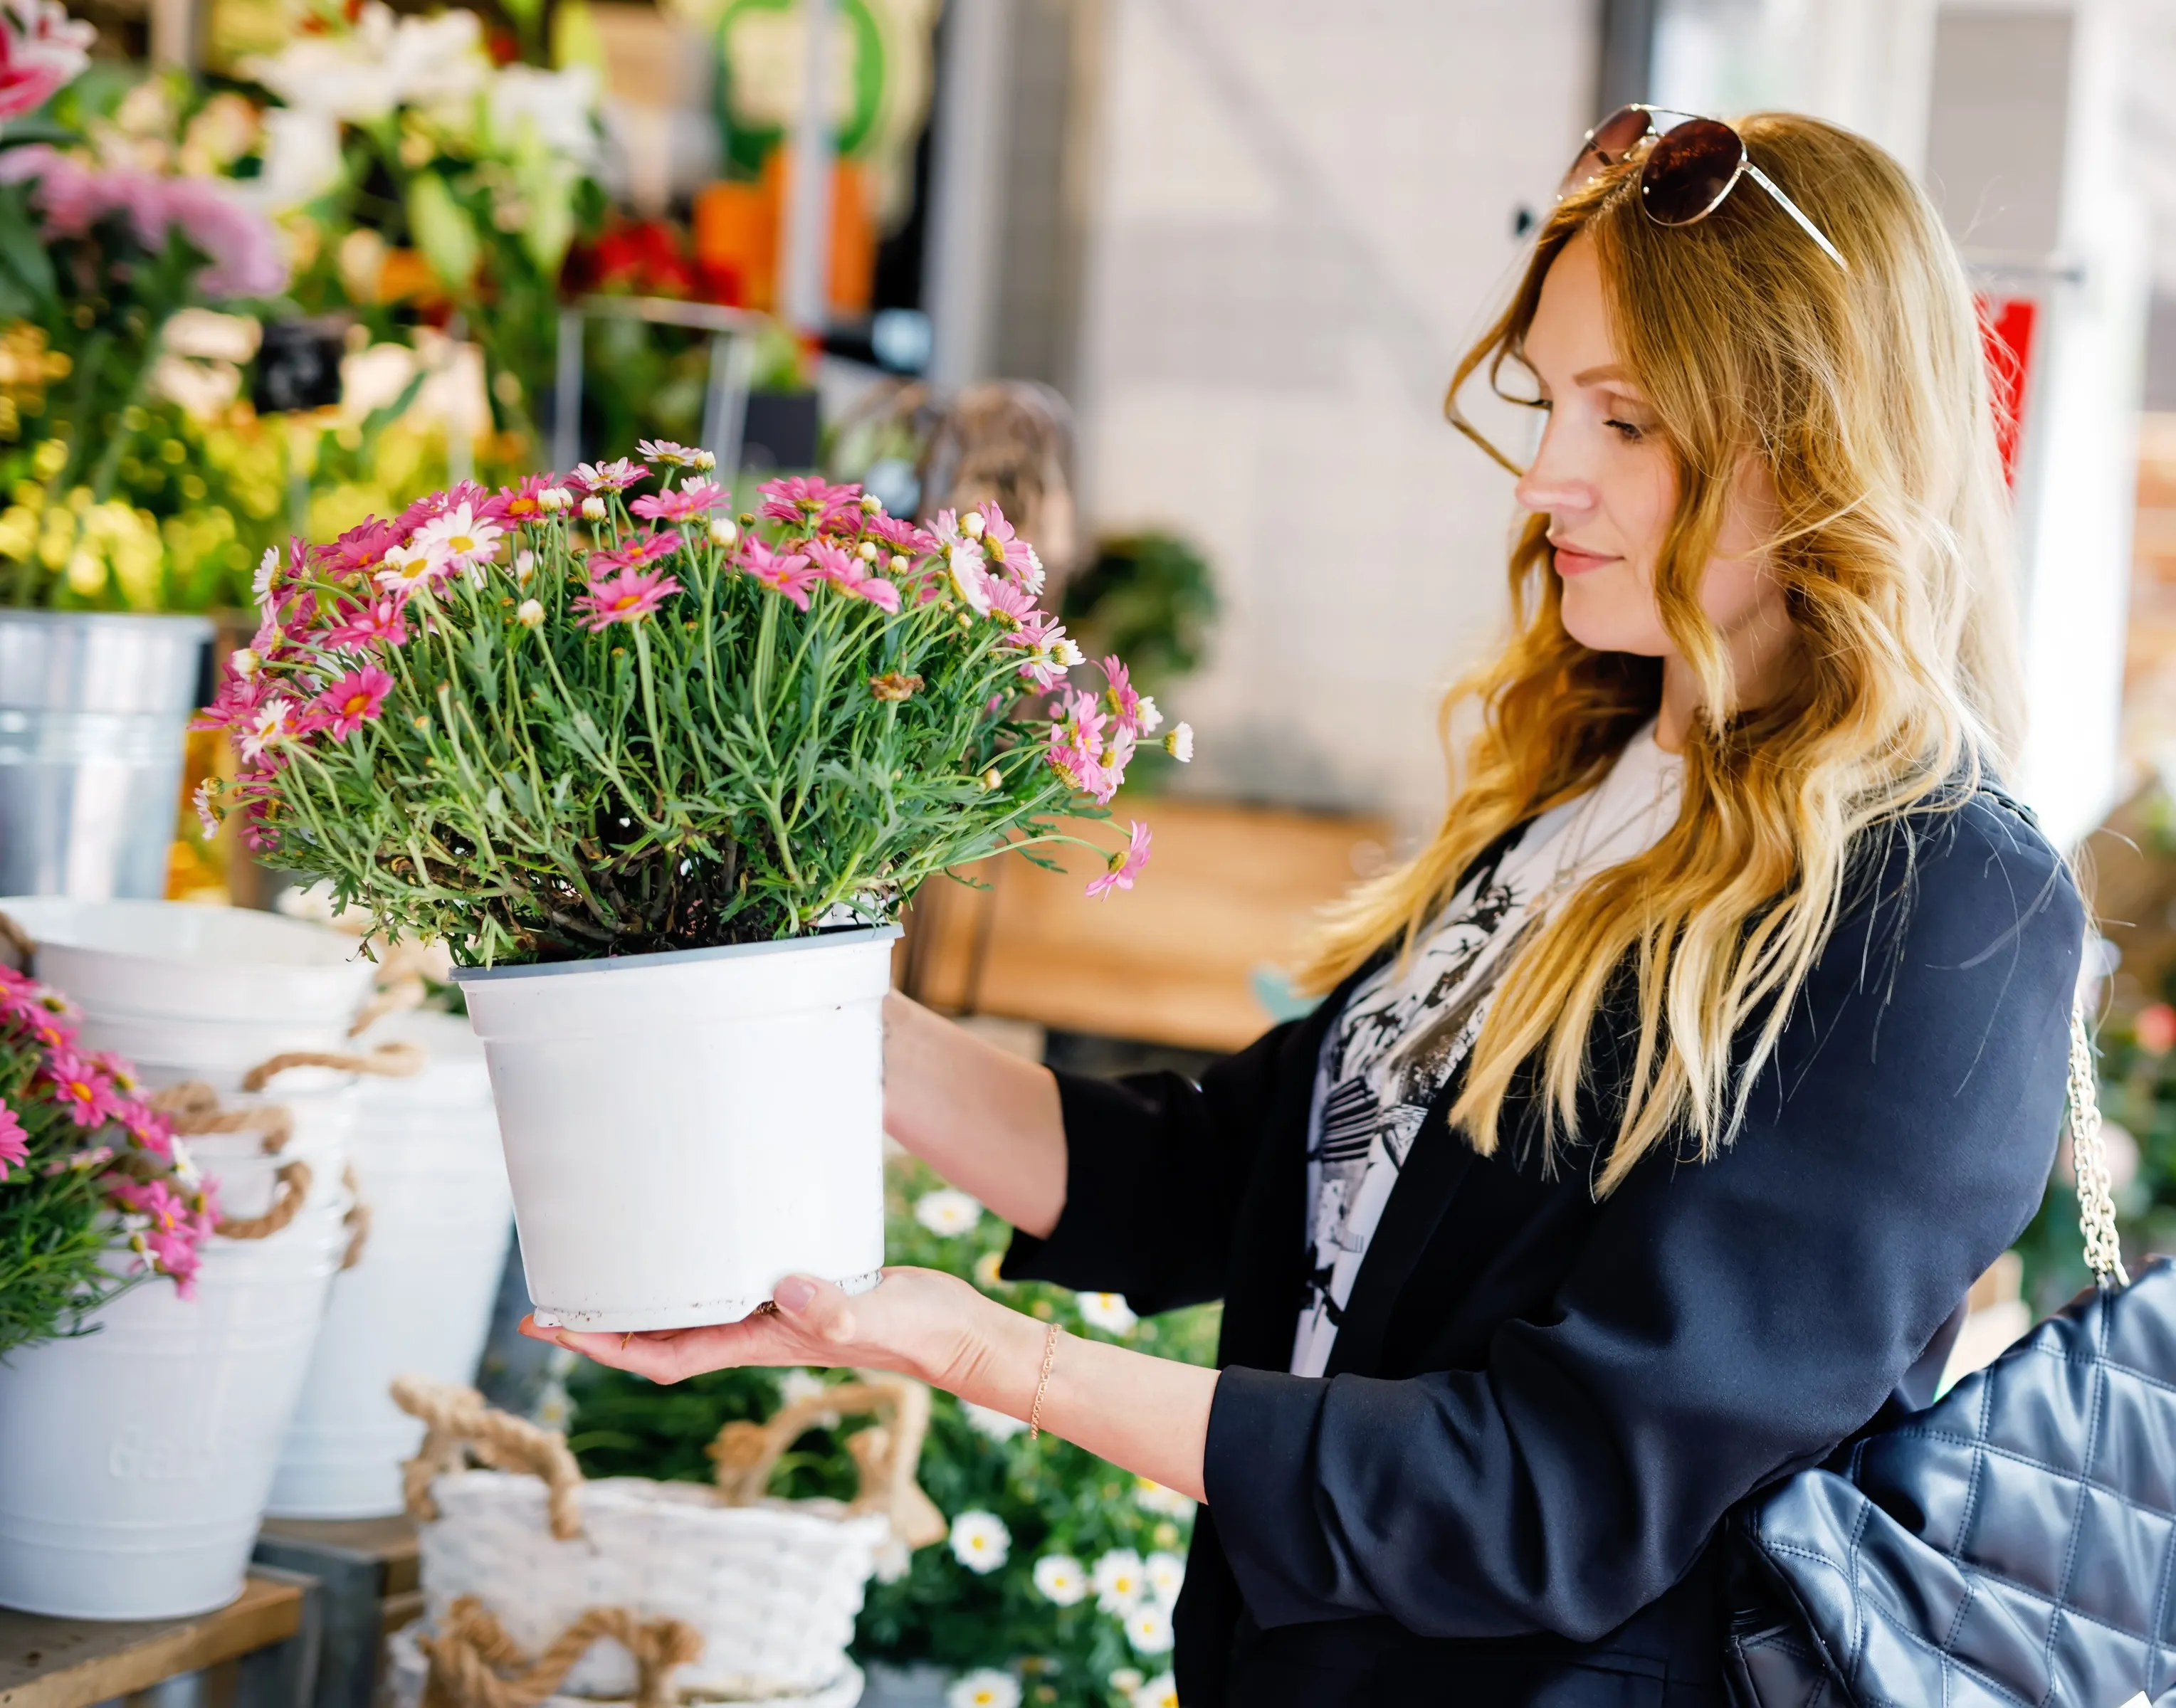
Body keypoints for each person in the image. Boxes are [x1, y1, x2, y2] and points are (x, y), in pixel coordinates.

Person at [527, 111, 2085, 1706]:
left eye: (1626, 421)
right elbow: (1217, 1180)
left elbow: (1552, 1500)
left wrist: (976, 1354)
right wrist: (780, 1003)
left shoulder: (1942, 911)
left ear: (1815, 446)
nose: (1547, 474)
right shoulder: (1602, 783)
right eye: (1551, 402)